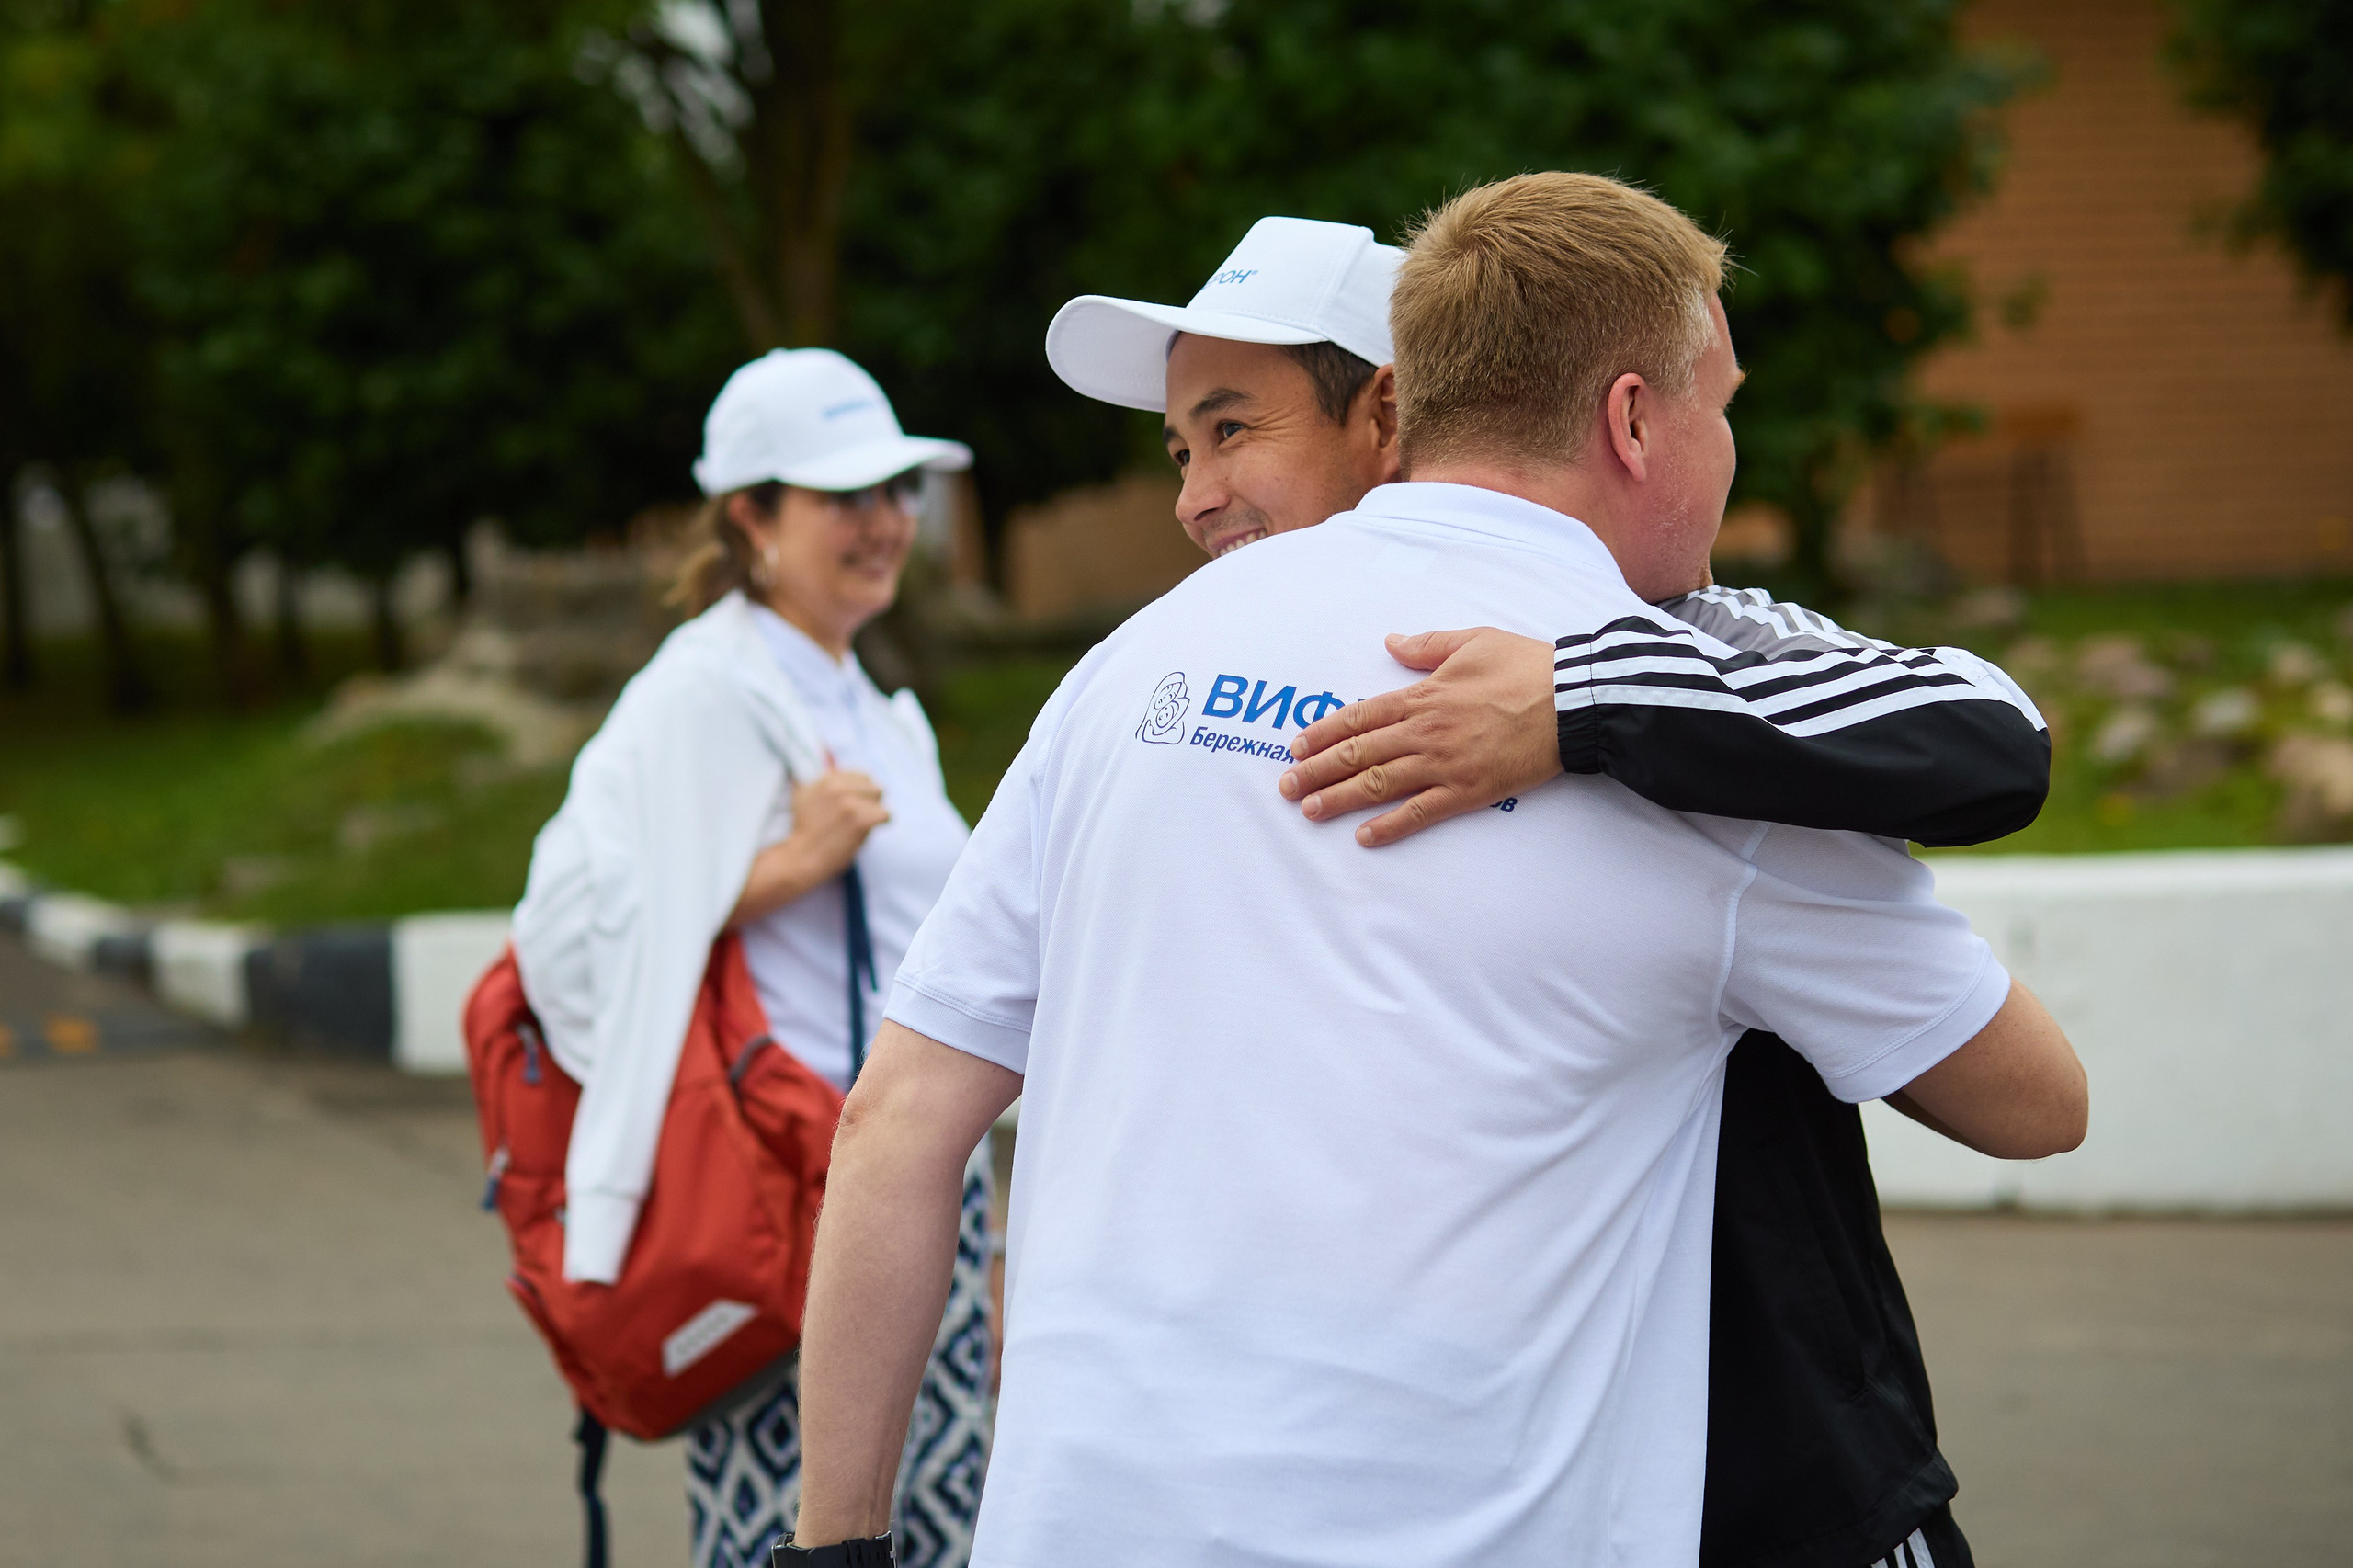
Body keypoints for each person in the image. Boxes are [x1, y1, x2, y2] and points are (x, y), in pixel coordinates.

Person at [785, 173, 2086, 1566]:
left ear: (1401, 406)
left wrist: (836, 1547)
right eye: (1183, 446)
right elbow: (2036, 1102)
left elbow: (899, 1118)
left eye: (1234, 429)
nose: (1199, 493)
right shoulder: (1714, 754)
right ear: (1637, 418)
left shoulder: (1128, 671)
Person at [508, 349, 994, 1568]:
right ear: (752, 516)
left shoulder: (860, 693)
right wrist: (780, 869)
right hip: (799, 1184)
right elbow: (564, 923)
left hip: (909, 1167)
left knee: (934, 1515)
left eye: (897, 491)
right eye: (847, 497)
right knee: (810, 1522)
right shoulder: (704, 691)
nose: (887, 522)